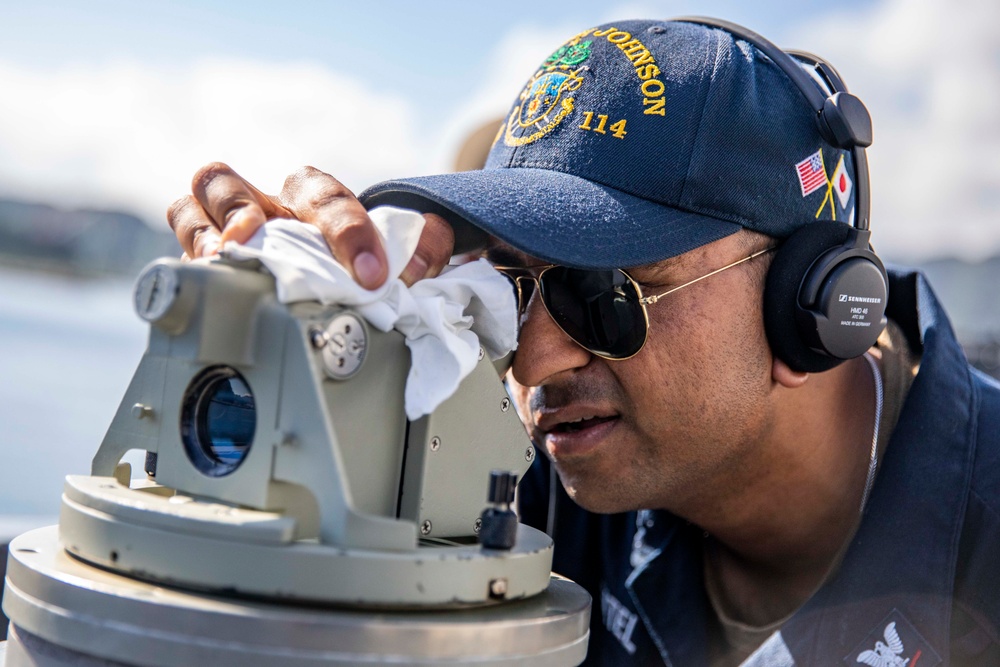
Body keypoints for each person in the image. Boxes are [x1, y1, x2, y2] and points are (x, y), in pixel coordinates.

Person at [167, 18, 1000, 666]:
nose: (533, 362)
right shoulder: (535, 486)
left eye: (603, 292)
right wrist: (285, 319)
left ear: (815, 309)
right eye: (510, 288)